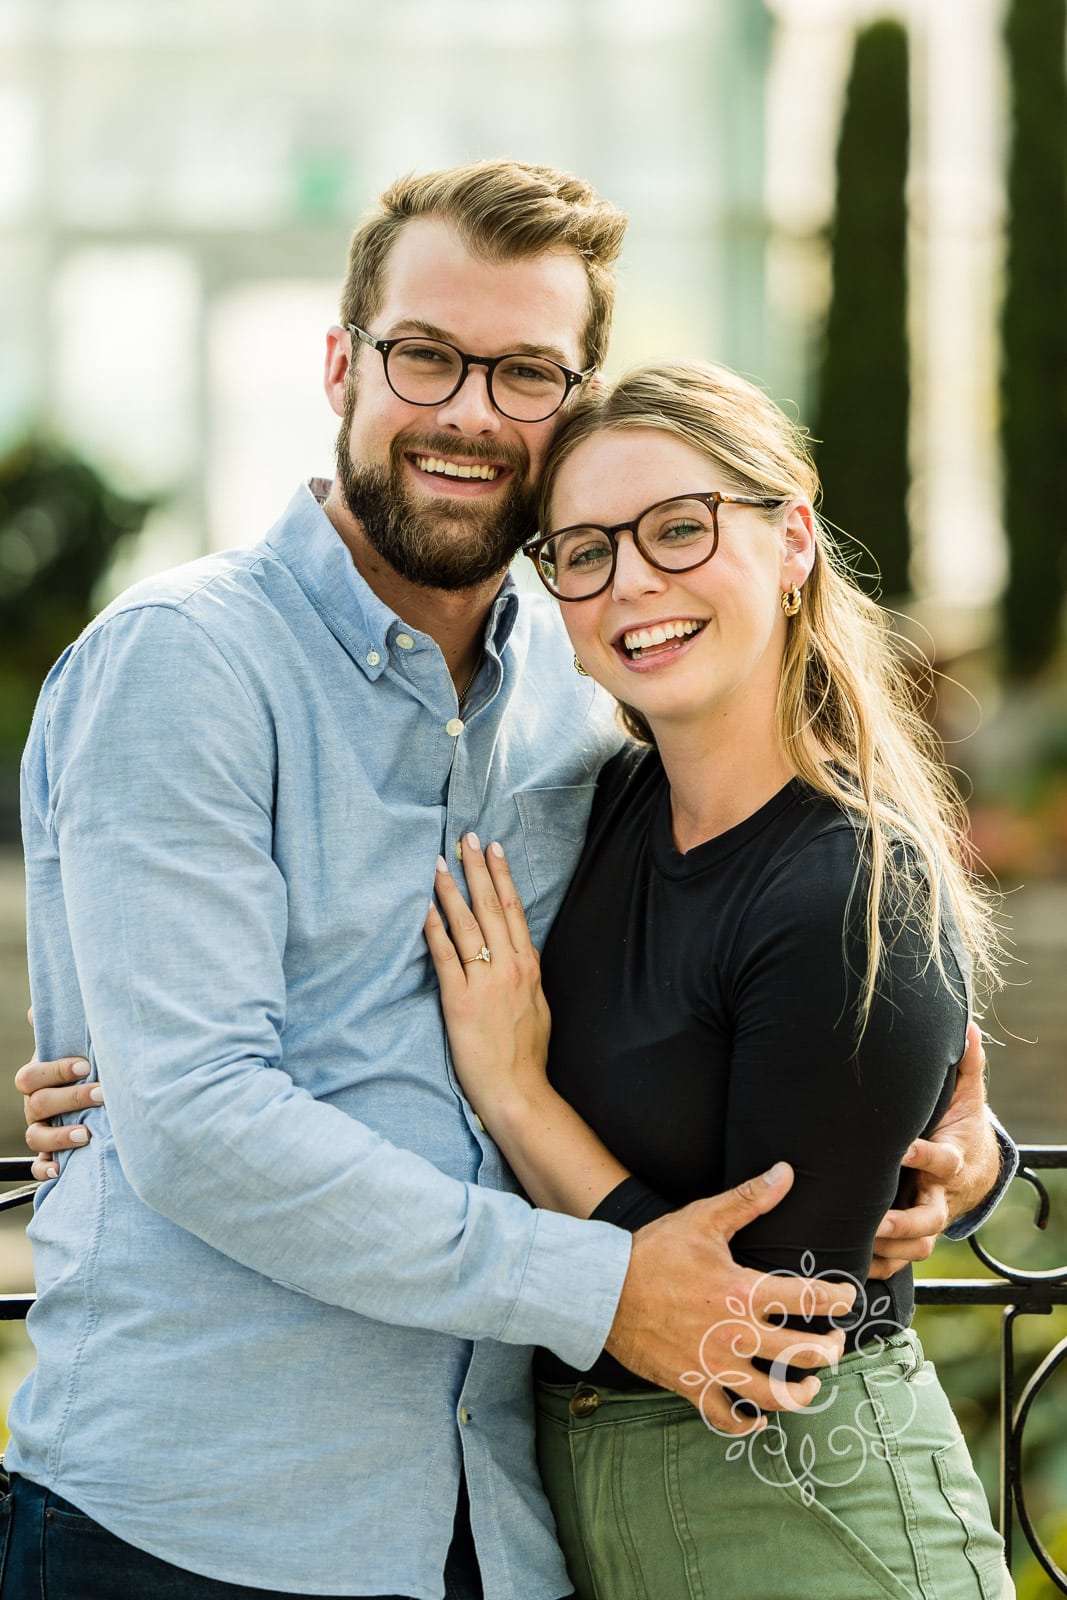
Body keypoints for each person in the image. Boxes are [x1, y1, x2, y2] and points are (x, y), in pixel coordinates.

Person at [4, 162, 1010, 1600]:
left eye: (526, 372)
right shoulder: (186, 663)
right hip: (202, 1525)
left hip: (504, 1526)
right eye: (427, 355)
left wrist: (929, 1157)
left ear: (571, 402)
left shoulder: (590, 692)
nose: (472, 411)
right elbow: (198, 1117)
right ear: (344, 363)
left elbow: (752, 986)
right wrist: (604, 1288)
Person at [422, 360, 1015, 1598]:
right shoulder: (603, 806)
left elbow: (761, 1343)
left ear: (791, 538)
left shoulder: (850, 890)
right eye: (580, 550)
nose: (630, 580)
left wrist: (516, 1096)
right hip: (590, 1517)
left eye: (678, 528)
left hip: (813, 1527)